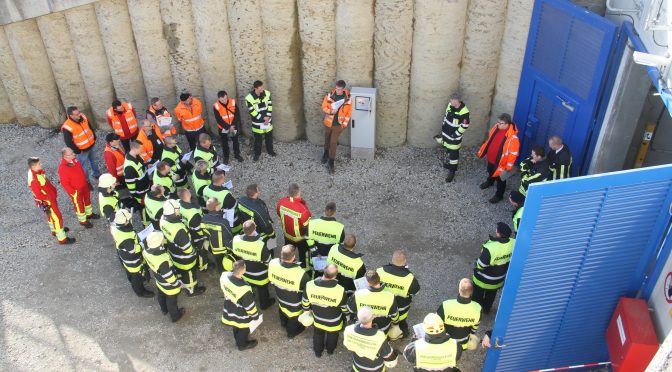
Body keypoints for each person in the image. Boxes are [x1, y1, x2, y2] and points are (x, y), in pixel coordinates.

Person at [160, 199, 206, 296]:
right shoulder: (179, 230)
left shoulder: (163, 219)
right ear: (174, 211)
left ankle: (182, 280)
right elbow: (187, 248)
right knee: (189, 274)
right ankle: (192, 290)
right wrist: (193, 252)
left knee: (181, 271)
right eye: (178, 209)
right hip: (185, 258)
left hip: (173, 252)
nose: (179, 210)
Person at [302, 264, 348, 357]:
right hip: (334, 322)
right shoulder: (340, 290)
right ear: (335, 276)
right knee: (332, 337)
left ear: (324, 271)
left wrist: (307, 312)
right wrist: (347, 316)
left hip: (317, 318)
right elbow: (344, 308)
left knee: (318, 334)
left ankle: (318, 352)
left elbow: (305, 302)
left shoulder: (309, 285)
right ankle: (330, 350)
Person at [27, 157, 74, 244]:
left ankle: (55, 230)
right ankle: (62, 239)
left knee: (51, 216)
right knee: (57, 217)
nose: (41, 164)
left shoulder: (36, 173)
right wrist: (49, 198)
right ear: (33, 166)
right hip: (48, 201)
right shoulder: (34, 179)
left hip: (48, 199)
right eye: (39, 164)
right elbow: (39, 195)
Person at [268, 245, 310, 338]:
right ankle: (291, 334)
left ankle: (283, 323)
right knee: (293, 319)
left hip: (280, 297)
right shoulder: (301, 274)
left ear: (281, 255)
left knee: (282, 310)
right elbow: (307, 292)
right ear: (294, 257)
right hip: (294, 304)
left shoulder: (273, 263)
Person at [477, 113, 520, 204]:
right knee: (491, 171)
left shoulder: (513, 138)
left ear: (507, 124)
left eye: (500, 123)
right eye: (498, 122)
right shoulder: (496, 127)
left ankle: (499, 195)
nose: (498, 124)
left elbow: (513, 154)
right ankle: (490, 181)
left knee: (501, 180)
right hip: (491, 158)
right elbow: (490, 139)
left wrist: (508, 167)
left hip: (501, 164)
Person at [472, 222, 515, 313]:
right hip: (498, 280)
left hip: (482, 280)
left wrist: (476, 265)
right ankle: (487, 309)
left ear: (498, 233)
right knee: (491, 296)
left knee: (477, 295)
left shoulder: (490, 248)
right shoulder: (514, 243)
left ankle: (476, 311)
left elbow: (481, 265)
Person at [376, 250, 420, 338]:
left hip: (383, 307)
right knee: (401, 323)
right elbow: (415, 292)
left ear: (392, 260)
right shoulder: (409, 278)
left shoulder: (380, 271)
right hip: (401, 309)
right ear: (405, 262)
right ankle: (402, 333)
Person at [232, 220, 275, 310]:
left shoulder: (236, 240)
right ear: (255, 228)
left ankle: (251, 297)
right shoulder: (261, 244)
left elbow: (236, 254)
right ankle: (265, 304)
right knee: (263, 290)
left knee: (249, 286)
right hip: (261, 275)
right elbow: (268, 262)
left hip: (245, 272)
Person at [143, 231, 185, 322]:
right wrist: (177, 284)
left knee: (161, 295)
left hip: (159, 281)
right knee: (172, 301)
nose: (163, 240)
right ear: (159, 244)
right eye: (162, 239)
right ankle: (175, 316)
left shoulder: (146, 251)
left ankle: (164, 310)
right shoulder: (162, 261)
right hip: (169, 285)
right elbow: (169, 276)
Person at [110, 209, 154, 298]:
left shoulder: (115, 225)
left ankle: (131, 279)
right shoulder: (126, 237)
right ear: (124, 222)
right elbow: (132, 250)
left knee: (129, 270)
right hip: (132, 258)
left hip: (123, 255)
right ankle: (140, 291)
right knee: (136, 275)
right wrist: (143, 244)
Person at [220, 260, 260, 351]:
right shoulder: (244, 289)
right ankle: (242, 345)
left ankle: (237, 337)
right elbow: (250, 307)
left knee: (235, 324)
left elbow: (223, 288)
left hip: (229, 306)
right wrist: (255, 316)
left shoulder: (224, 275)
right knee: (244, 328)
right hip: (240, 312)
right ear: (242, 271)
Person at [343, 307, 398, 372]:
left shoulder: (348, 330)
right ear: (373, 317)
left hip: (357, 367)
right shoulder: (379, 337)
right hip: (376, 369)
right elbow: (387, 355)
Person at [58, 147, 100, 228]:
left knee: (87, 200)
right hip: (76, 191)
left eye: (73, 152)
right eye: (71, 153)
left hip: (84, 186)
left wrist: (85, 181)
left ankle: (89, 214)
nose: (74, 154)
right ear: (65, 156)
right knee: (79, 205)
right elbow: (65, 183)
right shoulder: (62, 168)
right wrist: (73, 193)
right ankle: (83, 221)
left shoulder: (74, 160)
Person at [348, 270, 399, 335]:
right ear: (379, 280)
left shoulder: (358, 294)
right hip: (383, 328)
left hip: (363, 327)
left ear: (367, 282)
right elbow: (394, 314)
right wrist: (396, 323)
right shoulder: (390, 296)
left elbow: (351, 309)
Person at [437, 278, 481, 350]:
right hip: (463, 343)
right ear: (471, 292)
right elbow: (475, 326)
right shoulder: (477, 308)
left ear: (459, 290)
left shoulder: (446, 305)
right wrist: (472, 333)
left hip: (446, 342)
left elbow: (437, 322)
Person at [276, 183, 312, 269]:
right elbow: (306, 227)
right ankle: (305, 270)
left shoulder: (281, 202)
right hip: (300, 238)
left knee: (287, 254)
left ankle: (285, 267)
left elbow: (279, 214)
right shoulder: (303, 210)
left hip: (287, 235)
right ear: (299, 193)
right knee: (304, 255)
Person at [321, 80, 352, 174]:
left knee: (333, 142)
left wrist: (344, 125)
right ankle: (325, 153)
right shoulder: (329, 95)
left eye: (339, 89)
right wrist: (331, 111)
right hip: (328, 123)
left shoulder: (348, 99)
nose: (337, 90)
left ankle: (331, 161)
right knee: (327, 139)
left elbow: (348, 113)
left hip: (338, 125)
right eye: (336, 88)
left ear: (343, 89)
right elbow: (323, 107)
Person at [436, 93, 470, 183]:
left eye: (451, 100)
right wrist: (444, 128)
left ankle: (452, 171)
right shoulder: (450, 105)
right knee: (447, 149)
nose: (450, 102)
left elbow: (464, 125)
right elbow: (446, 116)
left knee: (454, 155)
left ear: (457, 101)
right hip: (446, 134)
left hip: (454, 138)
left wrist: (455, 134)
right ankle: (449, 165)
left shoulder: (464, 111)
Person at [62, 106, 100, 181]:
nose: (79, 115)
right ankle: (87, 181)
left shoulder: (83, 116)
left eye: (78, 113)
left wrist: (94, 137)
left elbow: (90, 127)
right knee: (84, 167)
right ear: (71, 116)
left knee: (94, 161)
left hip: (91, 145)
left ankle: (96, 174)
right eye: (76, 114)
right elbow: (68, 142)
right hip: (82, 151)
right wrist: (77, 151)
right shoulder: (67, 127)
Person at [201, 198, 235, 273]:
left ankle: (221, 274)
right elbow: (228, 237)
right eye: (219, 204)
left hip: (213, 248)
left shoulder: (203, 219)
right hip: (224, 249)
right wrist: (231, 250)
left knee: (219, 265)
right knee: (227, 265)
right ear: (216, 207)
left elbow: (205, 234)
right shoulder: (223, 222)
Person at [307, 202, 345, 269]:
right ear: (334, 212)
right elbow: (340, 245)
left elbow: (308, 240)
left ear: (324, 210)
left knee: (315, 275)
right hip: (330, 259)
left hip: (315, 258)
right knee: (329, 276)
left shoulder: (312, 223)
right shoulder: (339, 228)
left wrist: (316, 253)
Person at [178, 188, 208, 272]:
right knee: (201, 252)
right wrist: (205, 236)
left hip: (187, 232)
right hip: (197, 236)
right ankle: (202, 267)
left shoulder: (177, 203)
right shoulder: (194, 213)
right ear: (188, 195)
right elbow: (198, 229)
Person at [245, 80, 275, 161]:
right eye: (260, 87)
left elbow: (270, 105)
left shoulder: (267, 93)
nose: (262, 89)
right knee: (258, 140)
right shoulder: (249, 98)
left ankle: (270, 151)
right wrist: (263, 118)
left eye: (262, 87)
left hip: (268, 121)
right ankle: (257, 154)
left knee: (269, 138)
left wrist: (268, 117)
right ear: (256, 88)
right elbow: (252, 111)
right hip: (257, 123)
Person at [213, 90, 243, 163]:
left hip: (233, 126)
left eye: (225, 99)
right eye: (222, 100)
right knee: (224, 142)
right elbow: (218, 119)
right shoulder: (216, 106)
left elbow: (237, 115)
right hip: (223, 127)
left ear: (227, 96)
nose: (224, 101)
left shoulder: (232, 102)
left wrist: (233, 125)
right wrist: (228, 127)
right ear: (219, 99)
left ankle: (237, 155)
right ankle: (226, 157)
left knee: (235, 141)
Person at [123, 141, 151, 216]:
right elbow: (130, 183)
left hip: (145, 187)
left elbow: (141, 165)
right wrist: (134, 195)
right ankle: (146, 223)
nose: (142, 150)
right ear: (134, 149)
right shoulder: (129, 167)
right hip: (140, 193)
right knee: (144, 210)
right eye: (140, 149)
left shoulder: (137, 155)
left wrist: (147, 165)